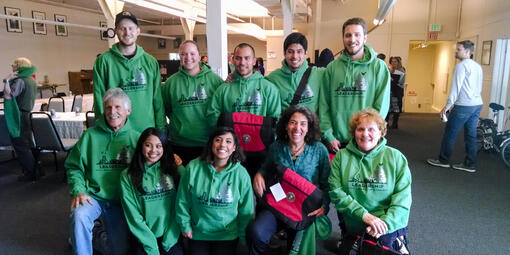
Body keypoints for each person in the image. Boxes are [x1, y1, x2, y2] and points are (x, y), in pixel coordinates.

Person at [66, 88, 140, 255]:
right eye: (108, 107)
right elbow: (74, 166)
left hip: (122, 201)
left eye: (118, 107)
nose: (112, 112)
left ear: (128, 110)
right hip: (94, 197)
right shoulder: (90, 136)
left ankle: (97, 234)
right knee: (78, 216)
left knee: (119, 250)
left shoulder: (136, 138)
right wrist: (79, 190)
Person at [249, 105, 331, 255]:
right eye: (293, 122)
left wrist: (324, 206)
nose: (297, 128)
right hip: (278, 203)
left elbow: (327, 184)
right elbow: (265, 168)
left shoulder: (319, 150)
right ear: (286, 126)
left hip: (304, 209)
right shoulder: (276, 147)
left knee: (295, 250)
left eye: (303, 124)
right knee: (257, 232)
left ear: (308, 128)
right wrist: (259, 174)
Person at [329, 108, 412, 254]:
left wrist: (384, 224)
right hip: (356, 223)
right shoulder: (341, 157)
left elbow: (402, 200)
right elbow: (336, 193)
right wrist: (365, 216)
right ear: (354, 133)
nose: (365, 134)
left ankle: (398, 242)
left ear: (381, 133)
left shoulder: (396, 158)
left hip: (386, 226)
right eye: (360, 129)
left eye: (371, 129)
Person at [175, 127, 254, 255]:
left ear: (234, 148)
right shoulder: (193, 168)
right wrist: (185, 225)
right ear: (211, 143)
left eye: (228, 141)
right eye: (218, 140)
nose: (223, 144)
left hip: (227, 236)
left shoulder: (241, 174)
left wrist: (243, 238)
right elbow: (182, 200)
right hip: (198, 233)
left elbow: (246, 210)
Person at [207, 43, 281, 177]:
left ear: (254, 61)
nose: (242, 62)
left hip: (261, 154)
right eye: (238, 58)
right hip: (231, 154)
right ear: (233, 60)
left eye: (247, 58)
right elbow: (213, 118)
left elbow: (276, 120)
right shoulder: (223, 89)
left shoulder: (268, 88)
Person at [319, 17, 390, 153]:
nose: (352, 40)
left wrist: (369, 134)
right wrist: (328, 135)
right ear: (343, 38)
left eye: (357, 35)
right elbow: (324, 105)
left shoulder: (378, 68)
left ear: (365, 38)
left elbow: (381, 107)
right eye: (348, 35)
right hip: (337, 143)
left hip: (366, 141)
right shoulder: (332, 68)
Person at [93, 11, 165, 133]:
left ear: (138, 30)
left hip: (146, 132)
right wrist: (103, 129)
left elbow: (157, 99)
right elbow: (99, 100)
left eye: (131, 28)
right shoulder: (103, 62)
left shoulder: (150, 62)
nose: (127, 33)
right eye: (122, 28)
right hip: (116, 132)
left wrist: (161, 129)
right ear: (116, 31)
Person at [120, 128, 185, 255]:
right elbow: (133, 215)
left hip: (171, 236)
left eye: (159, 146)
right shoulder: (127, 176)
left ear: (164, 148)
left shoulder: (174, 170)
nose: (153, 150)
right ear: (141, 146)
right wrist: (151, 247)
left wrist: (170, 239)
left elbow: (183, 203)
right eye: (148, 145)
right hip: (143, 238)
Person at [162, 40, 224, 165]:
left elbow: (222, 110)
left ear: (199, 56)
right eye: (184, 54)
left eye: (192, 53)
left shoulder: (215, 81)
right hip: (179, 144)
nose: (188, 57)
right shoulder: (170, 83)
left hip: (208, 144)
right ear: (180, 57)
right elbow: (167, 110)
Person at [427, 40, 483, 173]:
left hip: (463, 105)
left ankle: (443, 160)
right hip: (477, 104)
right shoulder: (477, 66)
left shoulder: (461, 66)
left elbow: (455, 88)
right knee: (471, 135)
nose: (456, 52)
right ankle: (470, 164)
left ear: (468, 52)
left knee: (450, 133)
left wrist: (447, 106)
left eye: (459, 50)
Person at [266, 32, 323, 113]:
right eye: (290, 51)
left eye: (299, 51)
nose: (294, 56)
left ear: (305, 53)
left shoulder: (319, 74)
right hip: (285, 125)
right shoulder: (272, 78)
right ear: (284, 53)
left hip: (311, 125)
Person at [2, 57, 38, 181]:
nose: (12, 67)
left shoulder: (20, 81)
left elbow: (8, 95)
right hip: (27, 113)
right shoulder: (32, 80)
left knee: (20, 145)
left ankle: (31, 173)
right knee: (28, 143)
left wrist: (6, 80)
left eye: (14, 65)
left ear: (19, 67)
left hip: (19, 115)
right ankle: (37, 170)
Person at [388, 56, 406, 129]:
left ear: (398, 62)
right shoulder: (389, 69)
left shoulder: (401, 70)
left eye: (395, 61)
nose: (393, 63)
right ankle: (387, 124)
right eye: (392, 61)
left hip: (397, 91)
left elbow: (401, 82)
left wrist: (392, 79)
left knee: (396, 107)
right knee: (389, 108)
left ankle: (394, 124)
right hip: (390, 90)